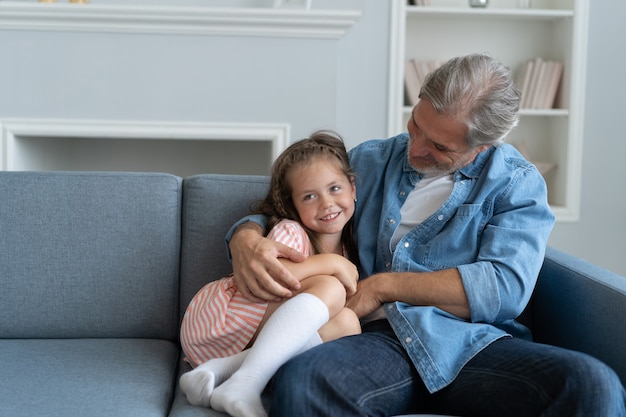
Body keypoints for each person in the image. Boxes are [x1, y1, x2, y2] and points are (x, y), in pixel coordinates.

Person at [227, 53, 626, 416]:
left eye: (438, 146)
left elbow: (504, 287)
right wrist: (244, 238)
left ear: (483, 147)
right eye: (415, 125)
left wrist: (384, 286)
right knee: (305, 379)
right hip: (376, 342)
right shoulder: (372, 159)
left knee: (592, 384)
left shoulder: (515, 184)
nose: (415, 149)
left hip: (470, 347)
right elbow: (297, 204)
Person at [179, 131, 361, 417]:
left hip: (243, 339)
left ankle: (222, 371)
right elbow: (274, 275)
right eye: (310, 196)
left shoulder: (351, 247)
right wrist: (332, 264)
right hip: (218, 317)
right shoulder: (292, 232)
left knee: (349, 323)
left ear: (352, 187)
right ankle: (247, 383)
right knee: (333, 289)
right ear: (292, 205)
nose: (326, 203)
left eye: (335, 188)